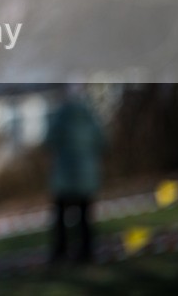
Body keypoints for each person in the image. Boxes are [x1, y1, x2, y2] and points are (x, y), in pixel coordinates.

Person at [44, 84, 106, 265]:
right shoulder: (90, 116)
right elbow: (103, 141)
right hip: (87, 176)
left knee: (61, 217)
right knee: (85, 217)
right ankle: (87, 253)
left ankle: (60, 253)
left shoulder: (60, 116)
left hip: (64, 176)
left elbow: (49, 141)